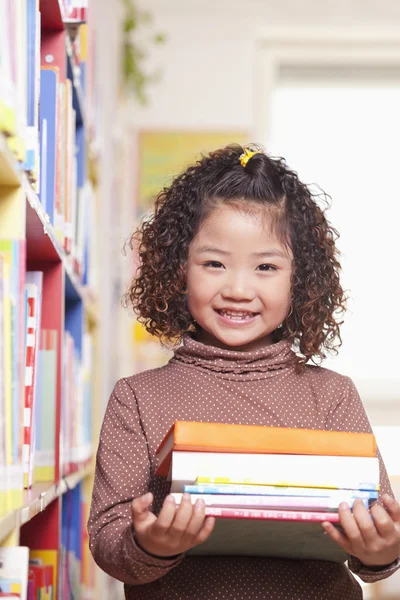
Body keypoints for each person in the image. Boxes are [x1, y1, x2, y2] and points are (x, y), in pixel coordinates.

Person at [88, 144, 400, 599]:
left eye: (266, 267)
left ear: (300, 279)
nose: (237, 289)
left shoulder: (333, 397)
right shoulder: (137, 397)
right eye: (214, 263)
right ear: (179, 269)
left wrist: (381, 549)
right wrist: (149, 544)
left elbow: (373, 545)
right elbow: (106, 539)